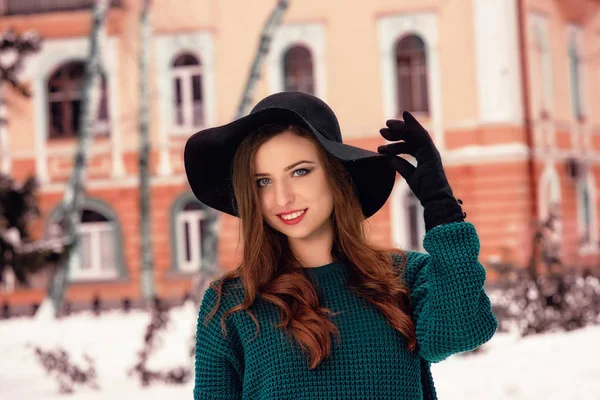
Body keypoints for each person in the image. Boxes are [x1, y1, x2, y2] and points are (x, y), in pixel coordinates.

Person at [184, 91, 498, 399]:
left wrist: (442, 209)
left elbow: (462, 330)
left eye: (300, 171)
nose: (282, 198)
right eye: (263, 181)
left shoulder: (404, 276)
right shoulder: (231, 303)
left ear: (337, 175)